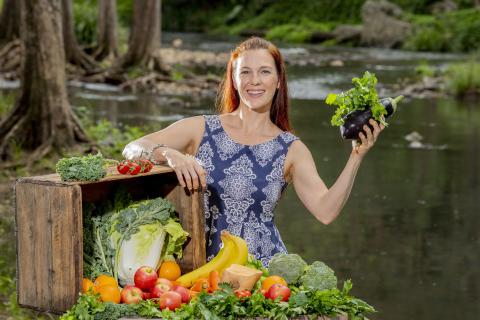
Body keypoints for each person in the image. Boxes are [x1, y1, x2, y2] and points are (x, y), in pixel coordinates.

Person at [122, 37, 384, 267]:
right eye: (245, 72)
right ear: (234, 80)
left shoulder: (292, 149)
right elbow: (133, 148)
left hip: (263, 276)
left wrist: (355, 157)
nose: (254, 81)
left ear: (278, 80)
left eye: (264, 72)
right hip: (199, 270)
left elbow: (326, 212)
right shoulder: (201, 129)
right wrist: (169, 154)